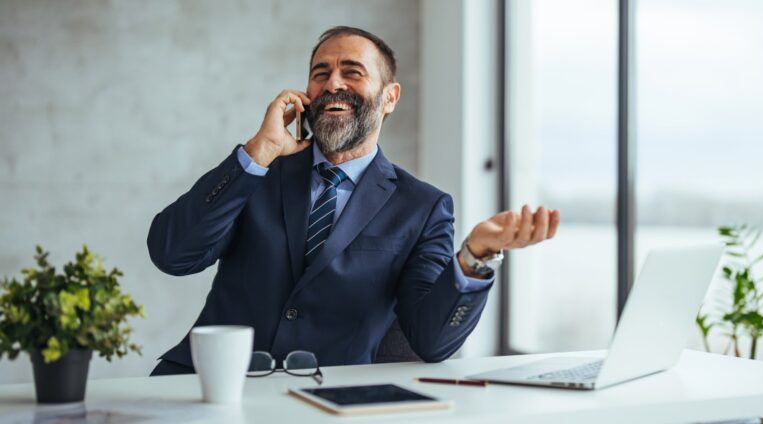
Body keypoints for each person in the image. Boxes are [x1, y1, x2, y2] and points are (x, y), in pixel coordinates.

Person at [147, 26, 560, 376]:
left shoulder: (423, 208)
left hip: (327, 401)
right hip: (206, 388)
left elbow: (432, 341)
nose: (333, 84)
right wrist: (257, 152)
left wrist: (475, 256)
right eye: (320, 73)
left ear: (390, 97)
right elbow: (173, 255)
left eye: (352, 72)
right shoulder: (257, 172)